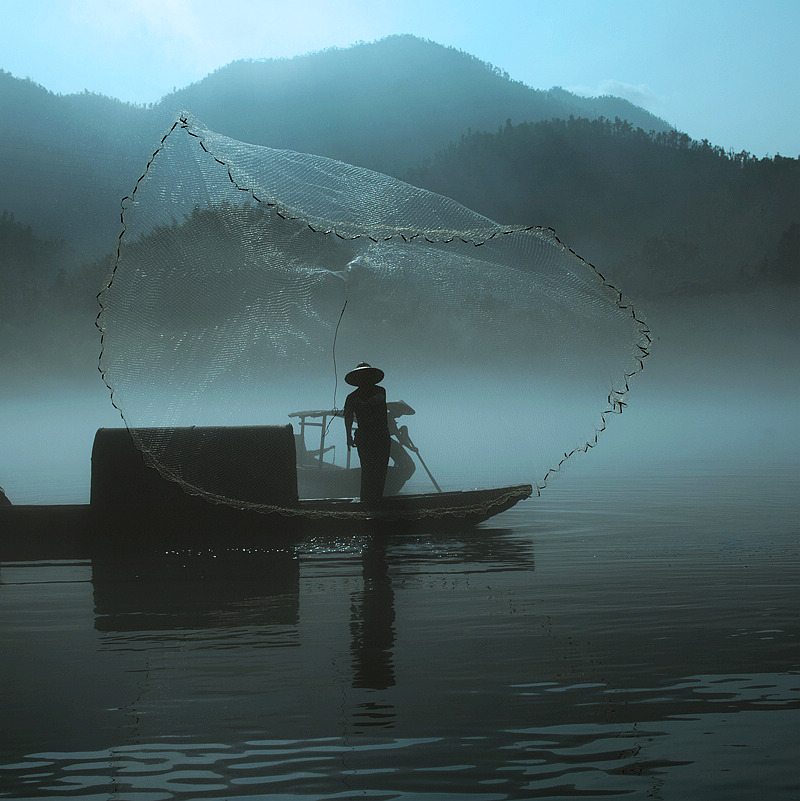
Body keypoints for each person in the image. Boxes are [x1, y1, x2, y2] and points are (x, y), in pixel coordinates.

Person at [344, 362, 391, 504]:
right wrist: (348, 437)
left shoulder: (380, 392)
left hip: (380, 436)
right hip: (366, 437)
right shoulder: (352, 397)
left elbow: (375, 402)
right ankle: (367, 501)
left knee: (380, 470)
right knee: (368, 470)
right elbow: (347, 418)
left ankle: (377, 500)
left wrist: (349, 437)